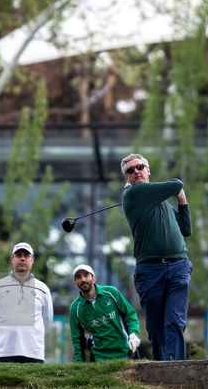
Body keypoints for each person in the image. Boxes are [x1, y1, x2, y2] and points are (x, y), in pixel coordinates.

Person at [120, 153, 192, 361]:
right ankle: (161, 368)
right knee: (156, 327)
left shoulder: (163, 204)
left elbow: (186, 229)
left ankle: (177, 370)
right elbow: (176, 183)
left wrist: (182, 201)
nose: (136, 172)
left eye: (139, 167)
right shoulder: (133, 194)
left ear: (148, 170)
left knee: (175, 321)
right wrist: (177, 190)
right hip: (151, 271)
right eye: (130, 171)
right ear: (127, 178)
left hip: (178, 266)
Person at [0, 242, 53, 363]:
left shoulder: (43, 289)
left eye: (26, 255)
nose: (22, 258)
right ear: (12, 259)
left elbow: (47, 319)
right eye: (18, 255)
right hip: (3, 352)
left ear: (32, 260)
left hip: (33, 352)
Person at [69, 264, 141, 362]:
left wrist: (133, 334)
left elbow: (130, 314)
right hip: (99, 358)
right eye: (78, 277)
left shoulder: (111, 292)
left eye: (86, 275)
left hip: (125, 352)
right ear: (75, 283)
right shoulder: (75, 308)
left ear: (94, 279)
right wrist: (78, 363)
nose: (83, 279)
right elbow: (77, 339)